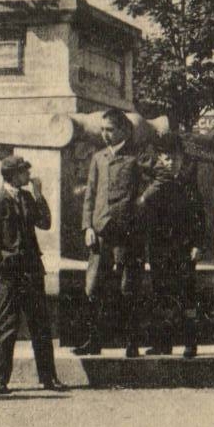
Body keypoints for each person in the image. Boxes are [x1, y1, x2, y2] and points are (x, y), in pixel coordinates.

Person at [0, 155, 66, 396]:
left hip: (32, 271)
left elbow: (45, 222)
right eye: (24, 173)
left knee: (40, 325)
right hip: (11, 275)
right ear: (13, 175)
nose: (28, 176)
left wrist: (39, 195)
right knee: (7, 326)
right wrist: (1, 266)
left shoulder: (27, 197)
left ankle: (48, 378)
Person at [74, 108, 143, 358]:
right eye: (102, 130)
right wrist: (87, 227)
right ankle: (93, 342)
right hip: (100, 234)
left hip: (126, 235)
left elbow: (143, 195)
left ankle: (131, 342)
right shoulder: (99, 158)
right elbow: (90, 195)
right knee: (93, 288)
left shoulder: (136, 158)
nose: (105, 135)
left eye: (110, 130)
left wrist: (133, 219)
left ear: (124, 130)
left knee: (128, 288)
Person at [135, 134, 208, 359]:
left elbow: (199, 216)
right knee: (161, 295)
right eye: (165, 158)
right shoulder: (154, 183)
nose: (170, 162)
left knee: (186, 296)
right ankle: (162, 343)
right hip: (159, 248)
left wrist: (197, 244)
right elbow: (146, 217)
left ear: (181, 158)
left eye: (174, 157)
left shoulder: (188, 182)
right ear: (159, 158)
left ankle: (190, 343)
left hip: (183, 248)